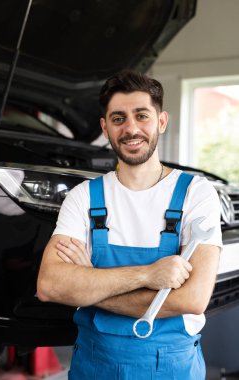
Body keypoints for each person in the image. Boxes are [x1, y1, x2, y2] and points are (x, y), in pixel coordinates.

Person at [37, 70, 222, 380]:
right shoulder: (83, 197)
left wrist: (89, 284)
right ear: (105, 127)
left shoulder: (195, 193)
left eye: (142, 116)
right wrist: (149, 274)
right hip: (95, 365)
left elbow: (192, 298)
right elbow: (50, 286)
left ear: (162, 121)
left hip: (172, 366)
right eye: (119, 118)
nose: (131, 128)